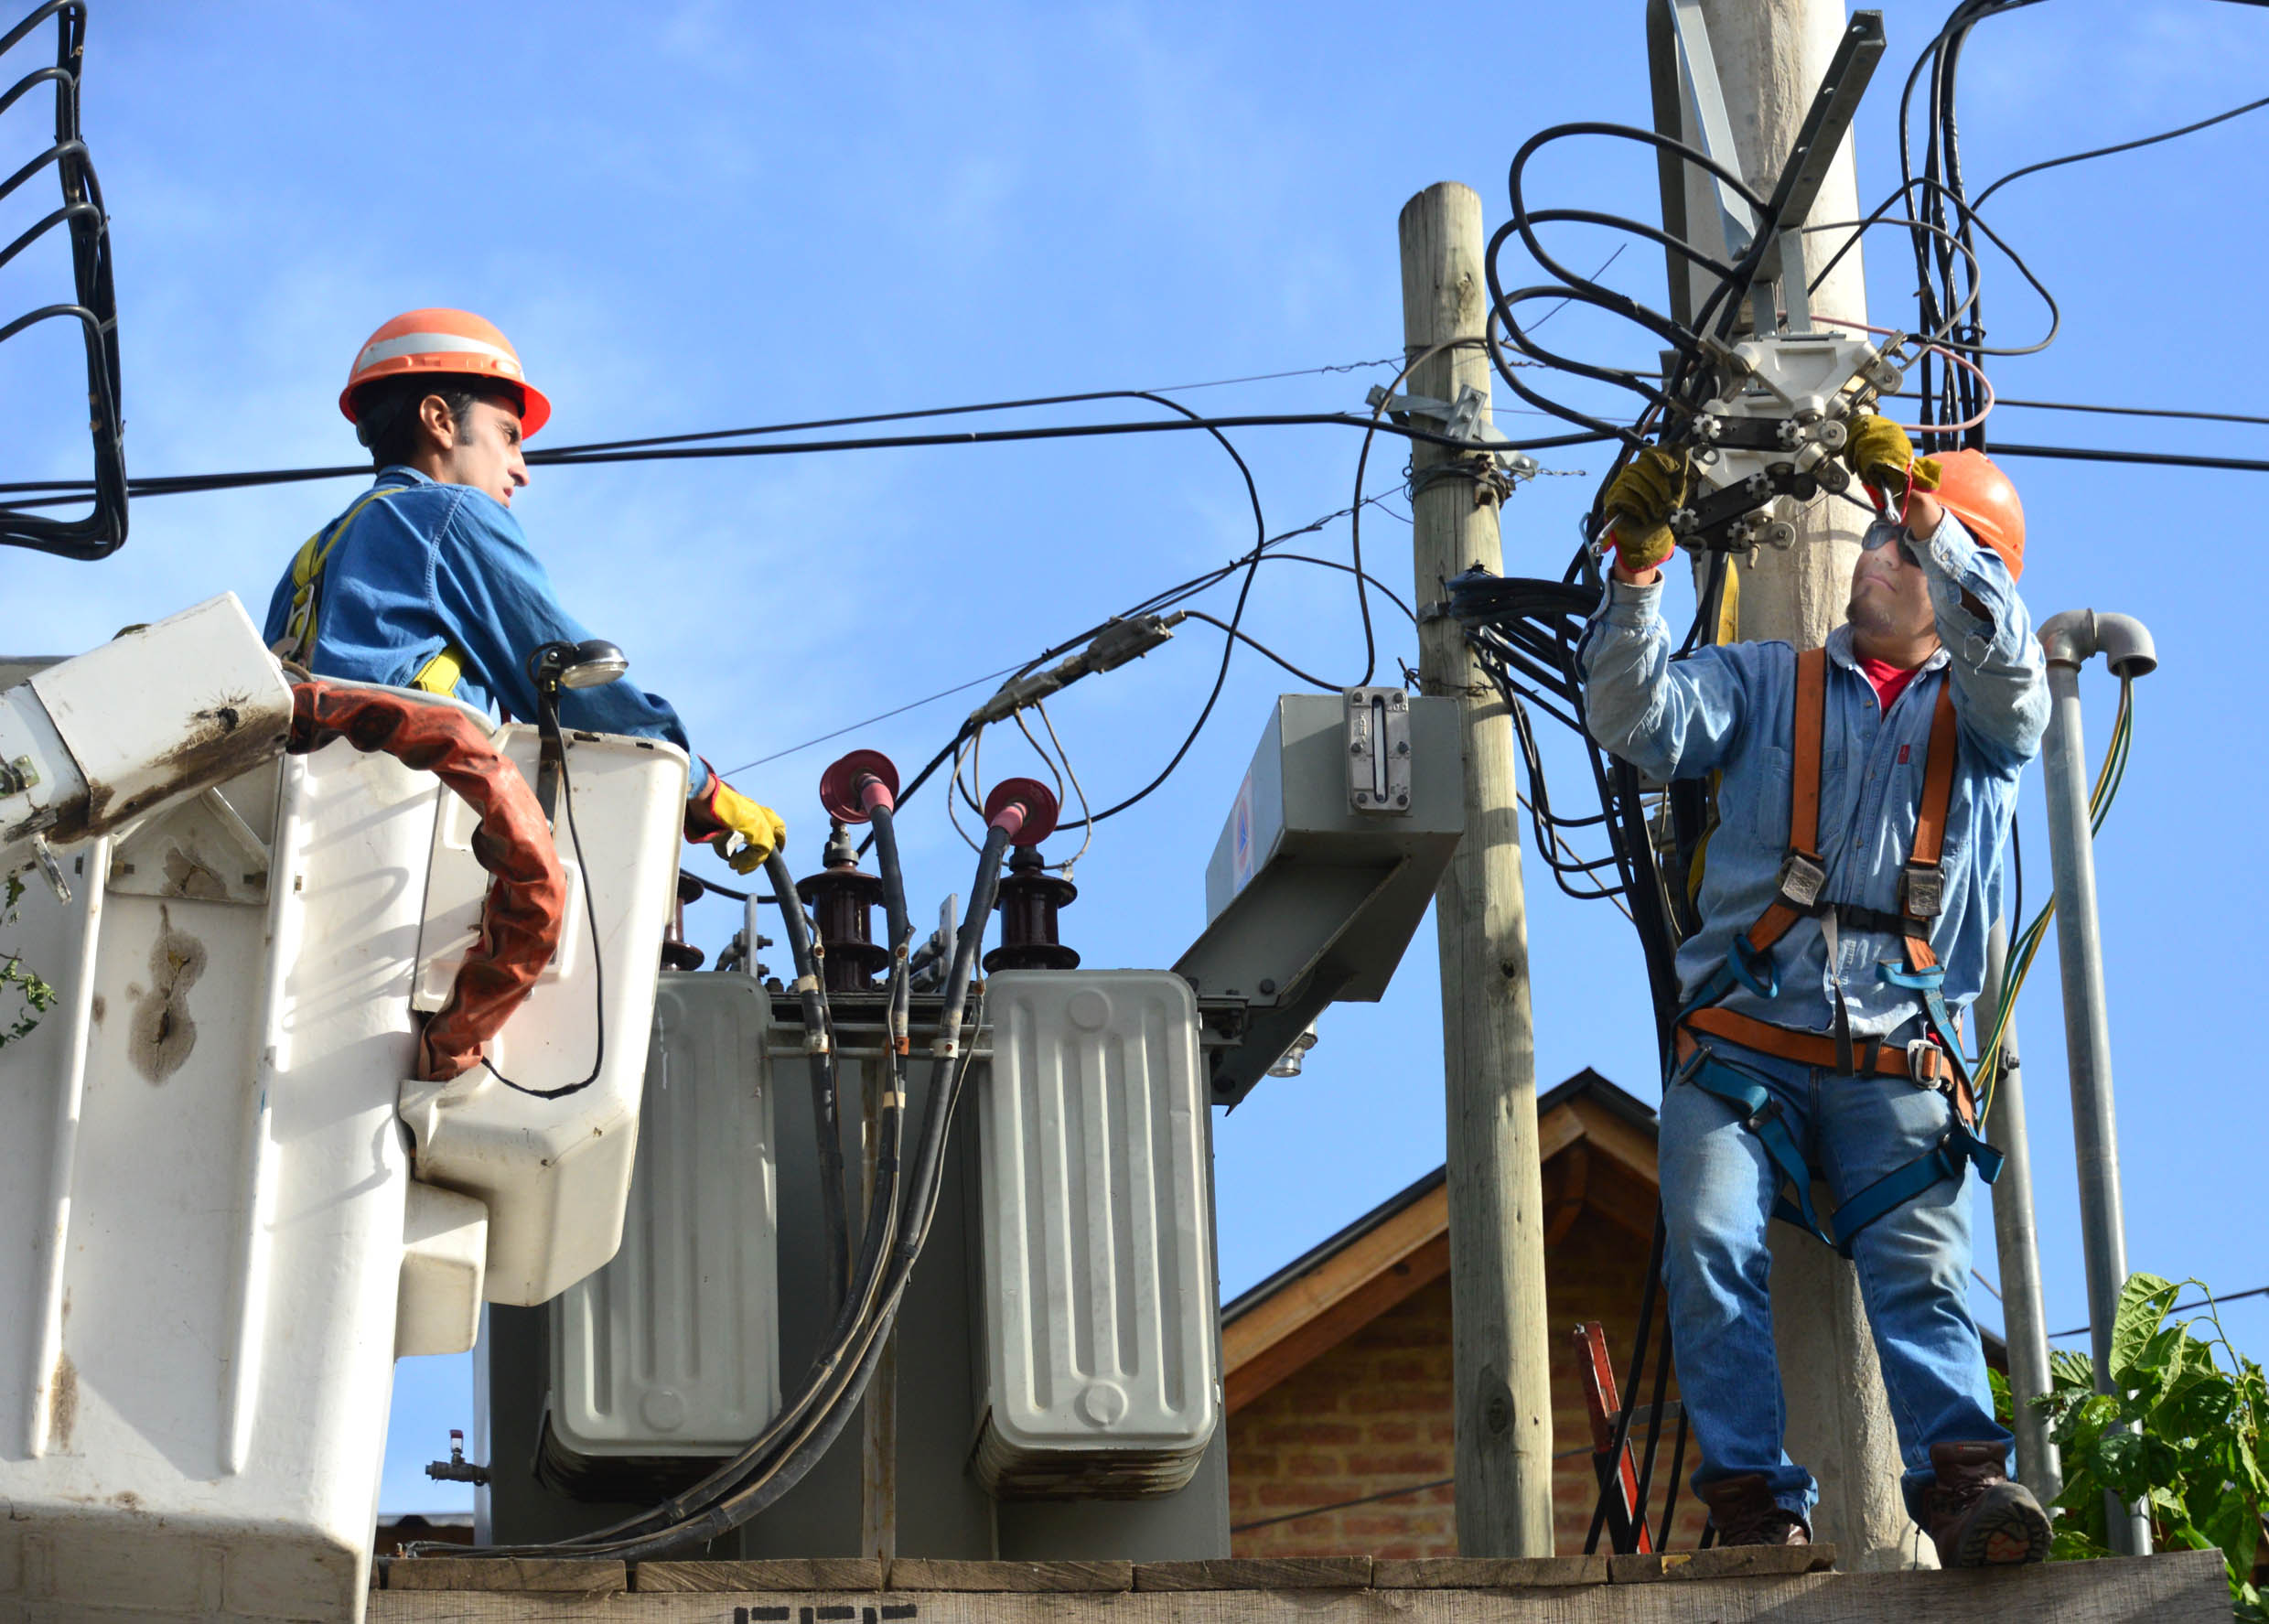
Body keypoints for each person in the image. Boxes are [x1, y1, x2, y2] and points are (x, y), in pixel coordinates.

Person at [1578, 414, 2052, 1565]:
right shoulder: (1763, 682)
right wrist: (1638, 571)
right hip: (1744, 1040)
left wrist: (1930, 520)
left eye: (1900, 546)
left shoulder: (1984, 718)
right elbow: (1633, 720)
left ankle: (1963, 1484)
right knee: (1706, 1238)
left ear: (1956, 575)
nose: (1872, 556)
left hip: (1895, 1044)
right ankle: (1752, 1503)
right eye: (1877, 537)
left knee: (1921, 1266)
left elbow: (2013, 670)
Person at [263, 308, 785, 873]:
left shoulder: (309, 561)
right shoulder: (449, 516)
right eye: (508, 435)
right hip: (404, 844)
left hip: (302, 849)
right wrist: (699, 787)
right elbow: (559, 670)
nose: (522, 469)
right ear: (440, 420)